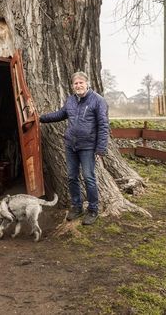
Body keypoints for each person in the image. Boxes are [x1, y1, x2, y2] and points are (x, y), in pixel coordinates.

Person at [39, 71, 109, 225]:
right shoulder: (71, 100)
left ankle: (92, 210)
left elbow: (104, 125)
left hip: (88, 147)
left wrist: (101, 148)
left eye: (81, 83)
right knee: (71, 177)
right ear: (72, 86)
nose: (78, 86)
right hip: (71, 145)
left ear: (87, 83)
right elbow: (60, 114)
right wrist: (40, 118)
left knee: (89, 177)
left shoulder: (98, 101)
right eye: (75, 83)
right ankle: (77, 207)